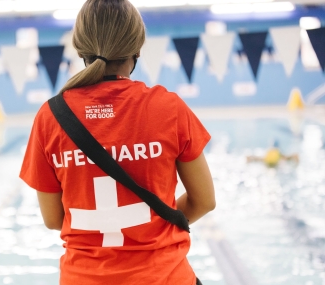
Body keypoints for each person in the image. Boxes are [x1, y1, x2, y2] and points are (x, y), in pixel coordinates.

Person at [20, 1, 215, 284]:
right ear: (137, 47)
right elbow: (204, 201)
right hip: (164, 277)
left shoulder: (50, 116)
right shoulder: (168, 108)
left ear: (80, 48)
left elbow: (53, 219)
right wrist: (150, 228)